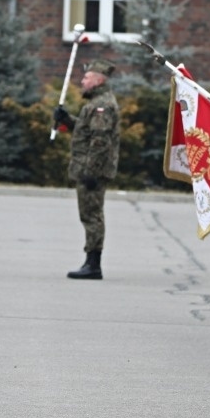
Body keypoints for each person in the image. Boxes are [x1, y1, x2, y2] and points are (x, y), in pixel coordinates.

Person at [55, 60, 121, 280]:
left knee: (92, 216)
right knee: (89, 215)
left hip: (91, 170)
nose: (82, 81)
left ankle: (93, 264)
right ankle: (90, 261)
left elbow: (100, 141)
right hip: (87, 168)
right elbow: (86, 131)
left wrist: (91, 171)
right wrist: (66, 120)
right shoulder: (95, 103)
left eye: (86, 77)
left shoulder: (102, 105)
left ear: (98, 80)